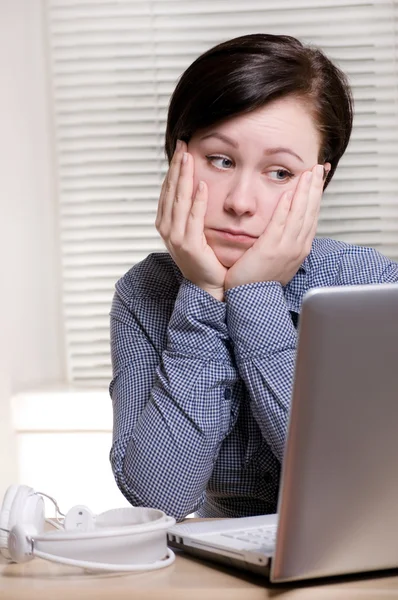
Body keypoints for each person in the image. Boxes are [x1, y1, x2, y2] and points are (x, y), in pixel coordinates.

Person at [109, 33, 398, 521]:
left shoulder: (371, 285)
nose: (240, 202)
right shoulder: (145, 293)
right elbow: (159, 499)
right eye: (220, 160)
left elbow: (358, 485)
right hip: (218, 570)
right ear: (176, 157)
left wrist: (253, 296)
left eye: (280, 173)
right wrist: (203, 294)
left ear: (318, 183)